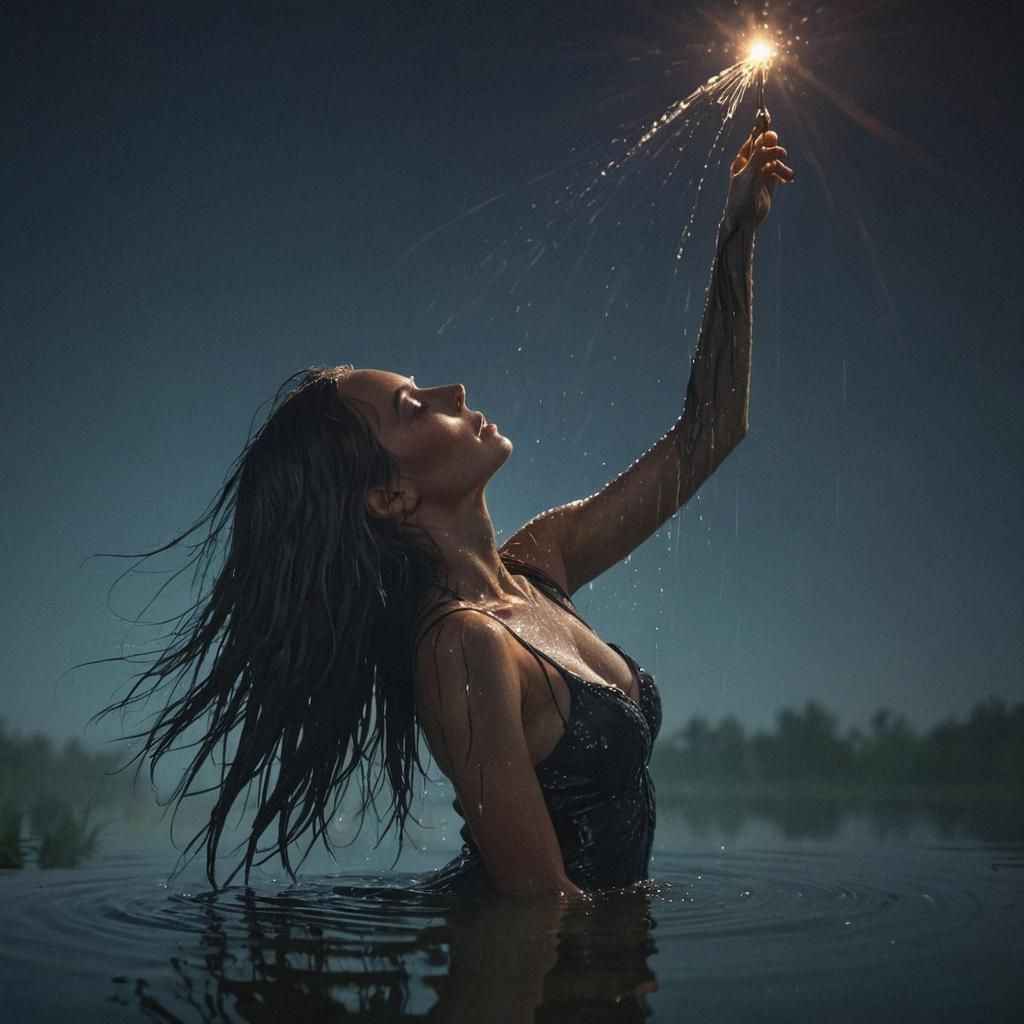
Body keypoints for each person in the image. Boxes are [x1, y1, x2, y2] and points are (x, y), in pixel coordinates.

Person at [104, 124, 793, 896]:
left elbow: (711, 433)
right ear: (390, 494)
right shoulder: (461, 650)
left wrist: (736, 238)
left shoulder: (542, 566)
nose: (452, 394)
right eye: (412, 406)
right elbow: (539, 907)